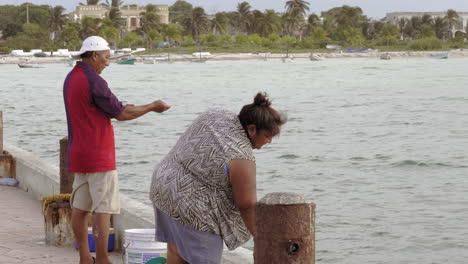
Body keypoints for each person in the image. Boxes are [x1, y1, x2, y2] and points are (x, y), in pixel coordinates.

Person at [63, 36, 171, 264]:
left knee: (80, 208)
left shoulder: (72, 77)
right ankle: (102, 259)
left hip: (78, 153)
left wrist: (128, 107)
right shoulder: (94, 80)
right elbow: (121, 114)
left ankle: (85, 257)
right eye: (106, 58)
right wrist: (152, 106)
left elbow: (109, 107)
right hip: (98, 155)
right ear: (94, 56)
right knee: (104, 209)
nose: (107, 63)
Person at [149, 92, 287, 264]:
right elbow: (247, 207)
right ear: (252, 130)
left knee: (177, 251)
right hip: (192, 207)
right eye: (268, 136)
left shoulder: (218, 114)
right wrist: (265, 242)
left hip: (164, 185)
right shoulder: (242, 158)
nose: (269, 141)